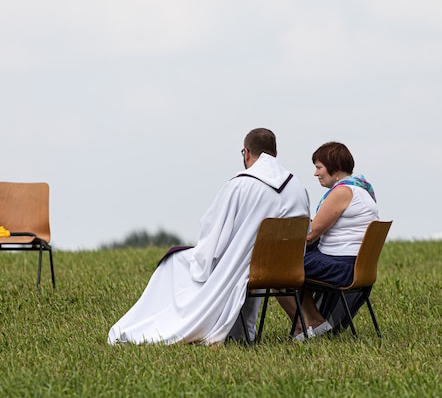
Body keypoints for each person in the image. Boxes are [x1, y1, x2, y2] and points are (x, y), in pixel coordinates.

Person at [107, 128, 310, 345]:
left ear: (247, 153)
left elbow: (212, 231)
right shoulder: (298, 187)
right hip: (288, 269)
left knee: (174, 263)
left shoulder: (241, 185)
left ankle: (155, 325)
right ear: (275, 154)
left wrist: (204, 259)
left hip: (248, 269)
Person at [277, 141, 379, 340]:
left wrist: (278, 241)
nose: (316, 173)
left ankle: (305, 326)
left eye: (319, 167)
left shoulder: (342, 192)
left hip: (343, 266)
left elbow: (310, 235)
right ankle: (315, 321)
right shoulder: (361, 189)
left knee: (278, 267)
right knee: (292, 263)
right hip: (356, 265)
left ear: (336, 168)